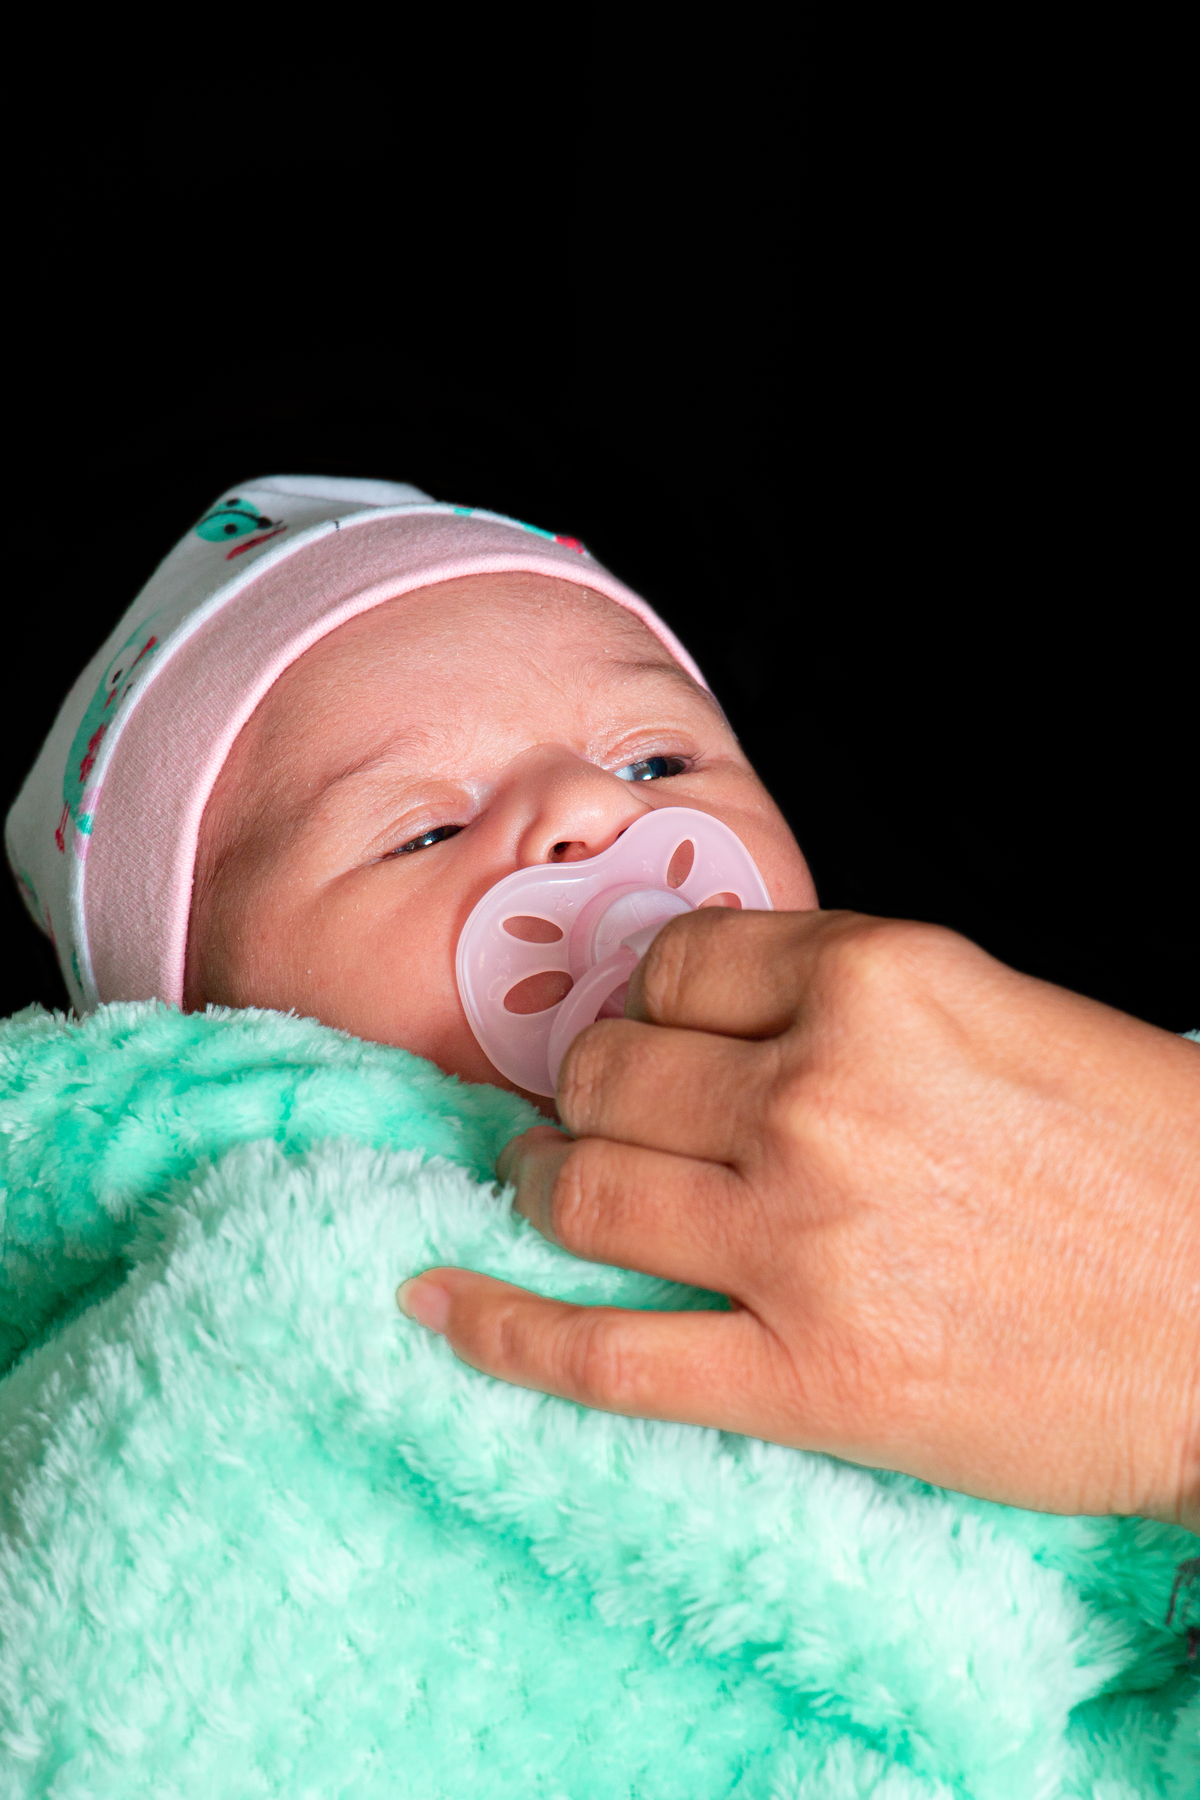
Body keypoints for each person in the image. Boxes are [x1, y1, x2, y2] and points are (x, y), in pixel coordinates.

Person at [9, 474, 1197, 1532]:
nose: (590, 805)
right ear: (208, 1037)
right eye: (427, 830)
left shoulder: (1069, 1136)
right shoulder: (236, 1312)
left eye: (658, 764)